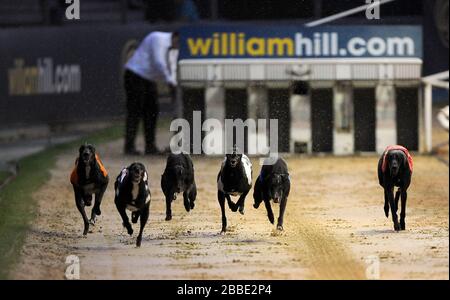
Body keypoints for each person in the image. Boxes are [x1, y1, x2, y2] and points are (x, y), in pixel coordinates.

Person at [123, 31, 179, 155]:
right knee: (135, 112)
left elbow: (170, 66)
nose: (178, 46)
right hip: (135, 75)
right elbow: (158, 62)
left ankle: (150, 146)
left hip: (149, 79)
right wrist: (170, 80)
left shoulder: (172, 50)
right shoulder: (157, 38)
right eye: (178, 42)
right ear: (175, 37)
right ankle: (129, 147)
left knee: (152, 112)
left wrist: (172, 80)